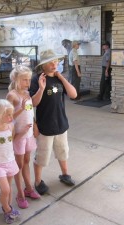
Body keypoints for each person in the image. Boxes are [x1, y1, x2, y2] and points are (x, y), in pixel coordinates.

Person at [29, 49, 77, 195]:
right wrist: (42, 88)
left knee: (63, 151)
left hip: (61, 123)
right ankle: (37, 181)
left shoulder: (58, 78)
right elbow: (32, 103)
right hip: (45, 125)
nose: (54, 64)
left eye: (56, 61)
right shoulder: (36, 79)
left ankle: (65, 174)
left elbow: (73, 94)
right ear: (43, 65)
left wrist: (61, 78)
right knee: (43, 155)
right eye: (50, 62)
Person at [6, 65, 40, 209]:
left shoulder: (26, 93)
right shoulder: (12, 95)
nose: (28, 83)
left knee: (26, 160)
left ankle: (28, 188)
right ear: (15, 79)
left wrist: (34, 124)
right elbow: (6, 118)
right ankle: (19, 194)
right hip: (18, 136)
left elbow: (30, 111)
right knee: (18, 166)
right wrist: (21, 107)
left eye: (29, 80)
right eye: (24, 80)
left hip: (28, 134)